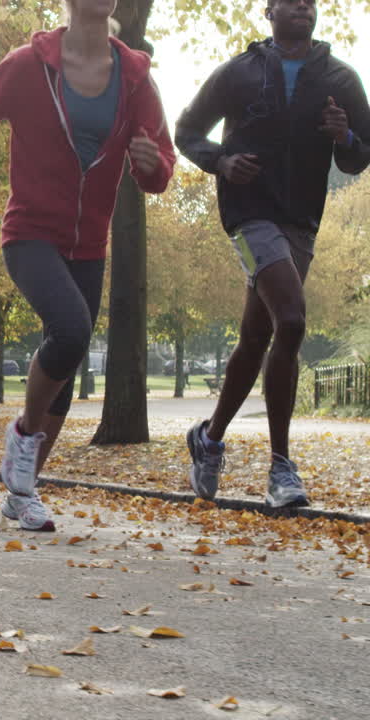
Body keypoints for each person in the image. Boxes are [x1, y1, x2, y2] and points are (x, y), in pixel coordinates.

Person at [0, 0, 174, 531]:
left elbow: (161, 166)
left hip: (90, 245)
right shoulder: (28, 65)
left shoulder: (136, 79)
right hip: (29, 235)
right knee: (71, 332)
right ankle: (23, 436)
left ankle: (23, 492)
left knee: (67, 369)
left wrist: (151, 165)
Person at [178, 0, 370, 509]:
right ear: (269, 11)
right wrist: (221, 161)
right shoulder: (239, 73)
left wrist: (344, 134)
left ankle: (210, 439)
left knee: (257, 335)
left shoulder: (341, 79)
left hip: (301, 221)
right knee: (291, 320)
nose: (302, 6)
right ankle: (281, 468)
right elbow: (187, 130)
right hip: (248, 214)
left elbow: (360, 154)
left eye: (310, 0)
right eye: (290, 0)